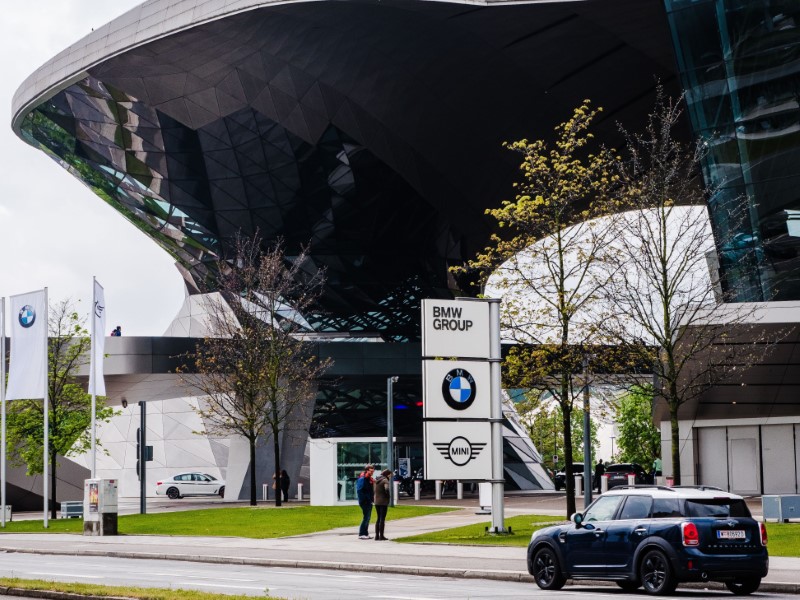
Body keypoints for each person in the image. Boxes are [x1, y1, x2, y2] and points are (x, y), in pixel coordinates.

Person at [356, 464, 375, 539]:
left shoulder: (369, 479)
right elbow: (360, 491)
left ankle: (365, 533)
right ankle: (361, 534)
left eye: (373, 471)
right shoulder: (362, 479)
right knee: (366, 517)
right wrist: (366, 499)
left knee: (368, 518)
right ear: (367, 471)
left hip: (368, 501)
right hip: (365, 501)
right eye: (370, 471)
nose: (372, 472)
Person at [373, 468, 392, 541]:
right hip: (383, 501)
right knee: (382, 519)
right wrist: (388, 496)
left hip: (376, 501)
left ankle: (377, 536)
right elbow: (386, 489)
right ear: (387, 474)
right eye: (390, 475)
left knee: (378, 518)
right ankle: (381, 536)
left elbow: (374, 490)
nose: (390, 477)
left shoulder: (376, 480)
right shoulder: (385, 480)